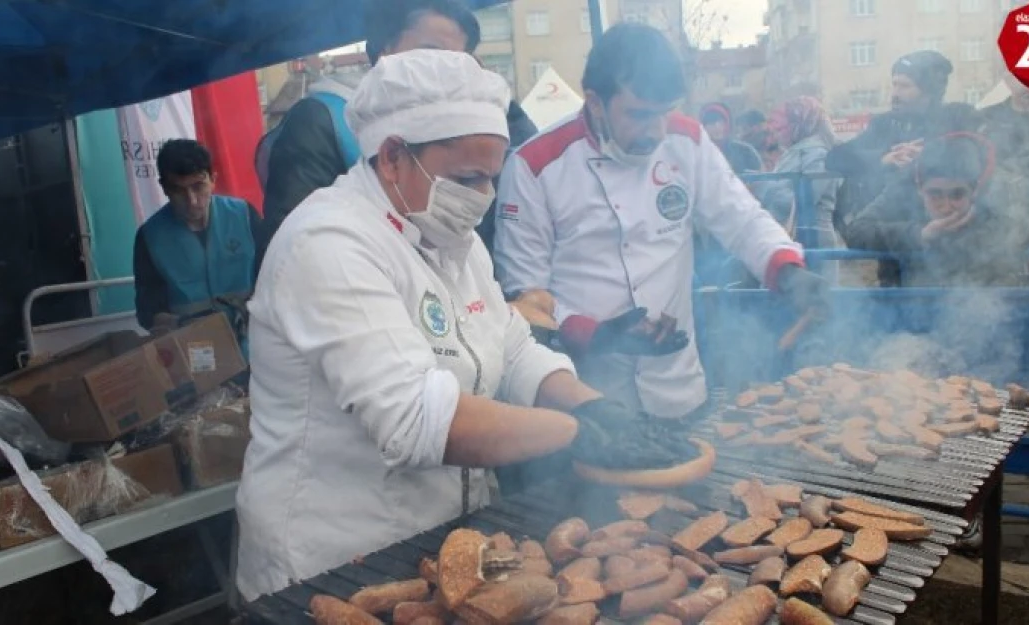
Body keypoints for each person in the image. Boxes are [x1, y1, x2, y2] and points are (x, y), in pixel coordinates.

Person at [235, 50, 685, 601]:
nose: (481, 199)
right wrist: (578, 433)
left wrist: (590, 403)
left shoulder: (453, 238)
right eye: (467, 178)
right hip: (332, 560)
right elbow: (417, 419)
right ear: (394, 154)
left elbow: (513, 347)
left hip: (440, 541)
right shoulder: (327, 244)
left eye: (490, 179)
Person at [493, 23, 829, 423]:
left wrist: (785, 268)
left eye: (664, 113)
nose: (655, 131)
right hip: (585, 398)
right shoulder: (535, 164)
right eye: (638, 115)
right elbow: (526, 296)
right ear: (595, 102)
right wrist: (596, 334)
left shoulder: (687, 140)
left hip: (678, 391)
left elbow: (741, 218)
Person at [261, 0, 536, 254]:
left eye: (460, 60)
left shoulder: (482, 118)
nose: (448, 71)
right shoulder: (323, 118)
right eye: (430, 54)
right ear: (384, 51)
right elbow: (295, 241)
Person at [827, 50, 980, 237]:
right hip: (892, 231)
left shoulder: (958, 117)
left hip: (953, 224)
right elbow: (835, 158)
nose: (895, 93)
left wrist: (929, 154)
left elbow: (980, 155)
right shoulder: (884, 124)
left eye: (905, 86)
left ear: (929, 91)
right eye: (894, 84)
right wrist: (884, 158)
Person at [844, 132, 1025, 287]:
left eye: (957, 195)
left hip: (976, 300)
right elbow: (856, 231)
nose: (946, 207)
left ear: (975, 190)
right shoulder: (901, 190)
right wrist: (917, 235)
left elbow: (1017, 235)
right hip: (903, 299)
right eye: (935, 194)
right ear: (919, 187)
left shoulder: (994, 193)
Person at [133, 139, 265, 347]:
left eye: (198, 186)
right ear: (164, 188)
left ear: (213, 180)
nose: (192, 200)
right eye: (179, 190)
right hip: (193, 352)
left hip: (255, 345)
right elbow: (148, 310)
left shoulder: (245, 216)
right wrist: (178, 324)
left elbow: (274, 278)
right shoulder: (150, 238)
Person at [758, 96, 840, 251]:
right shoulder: (795, 152)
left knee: (816, 276)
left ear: (800, 125)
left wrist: (764, 188)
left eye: (781, 129)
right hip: (793, 235)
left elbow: (805, 200)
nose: (776, 134)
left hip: (814, 239)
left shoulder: (818, 154)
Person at [699, 102, 762, 174]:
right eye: (711, 123)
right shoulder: (698, 154)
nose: (717, 127)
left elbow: (760, 180)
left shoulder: (746, 152)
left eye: (721, 122)